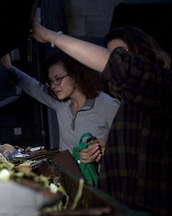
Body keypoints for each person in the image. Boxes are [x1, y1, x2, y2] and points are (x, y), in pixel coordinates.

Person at [30, 20, 172, 215]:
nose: (117, 59)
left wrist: (51, 36)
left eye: (122, 52)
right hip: (116, 200)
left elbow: (121, 68)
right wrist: (105, 147)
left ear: (144, 52)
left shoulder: (159, 83)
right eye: (111, 53)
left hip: (149, 205)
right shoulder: (128, 102)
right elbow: (135, 146)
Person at [1, 51, 119, 162]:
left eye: (58, 79)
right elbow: (33, 87)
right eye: (51, 80)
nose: (53, 85)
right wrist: (9, 68)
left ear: (76, 75)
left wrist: (103, 150)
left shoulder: (108, 105)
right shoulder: (61, 102)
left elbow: (129, 145)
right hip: (68, 177)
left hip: (100, 181)